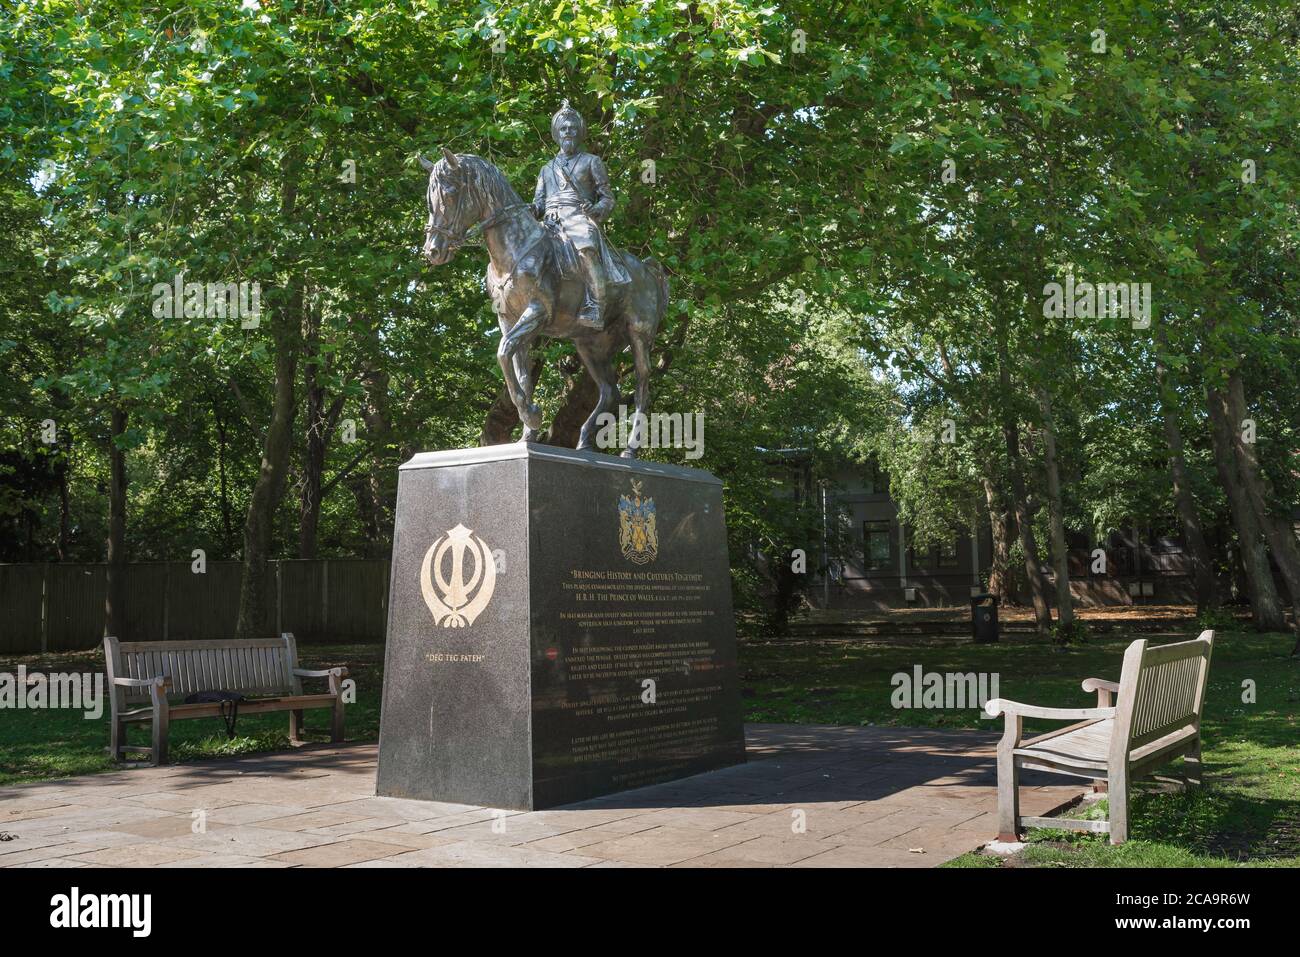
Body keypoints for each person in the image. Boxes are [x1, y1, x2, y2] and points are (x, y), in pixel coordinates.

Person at [533, 100, 629, 329]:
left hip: (578, 218)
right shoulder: (547, 168)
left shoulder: (591, 162)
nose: (568, 132)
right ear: (557, 134)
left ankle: (596, 304)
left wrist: (596, 210)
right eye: (563, 128)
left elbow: (607, 197)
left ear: (579, 133)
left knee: (586, 248)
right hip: (549, 222)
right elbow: (538, 202)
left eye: (572, 128)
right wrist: (532, 209)